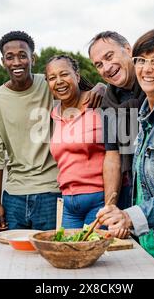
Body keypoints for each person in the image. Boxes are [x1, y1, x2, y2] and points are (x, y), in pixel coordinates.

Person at [0, 31, 103, 231]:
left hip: (52, 191)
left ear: (32, 58)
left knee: (52, 256)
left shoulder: (49, 82)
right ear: (3, 62)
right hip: (14, 195)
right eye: (10, 57)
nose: (17, 62)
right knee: (16, 259)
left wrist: (101, 86)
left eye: (22, 55)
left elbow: (80, 88)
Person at [97, 29, 154, 279]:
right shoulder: (146, 114)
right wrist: (114, 209)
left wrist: (129, 217)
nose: (147, 69)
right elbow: (114, 157)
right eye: (142, 61)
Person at [45, 54, 106, 228]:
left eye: (64, 74)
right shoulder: (55, 114)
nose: (59, 81)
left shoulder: (98, 101)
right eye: (52, 78)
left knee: (96, 254)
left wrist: (104, 86)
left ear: (77, 76)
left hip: (99, 200)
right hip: (69, 202)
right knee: (68, 253)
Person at [88, 31, 146, 212]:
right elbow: (112, 156)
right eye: (99, 64)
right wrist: (109, 206)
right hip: (130, 188)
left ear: (128, 50)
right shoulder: (109, 102)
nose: (106, 67)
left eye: (109, 56)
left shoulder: (152, 82)